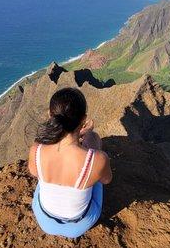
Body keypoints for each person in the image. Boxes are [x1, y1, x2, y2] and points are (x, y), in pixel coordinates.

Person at [28, 87, 112, 239]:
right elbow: (107, 180)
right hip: (79, 225)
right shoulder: (99, 159)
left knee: (42, 177)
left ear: (50, 115)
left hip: (44, 220)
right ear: (84, 119)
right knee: (96, 173)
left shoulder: (36, 149)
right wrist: (88, 136)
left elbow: (34, 173)